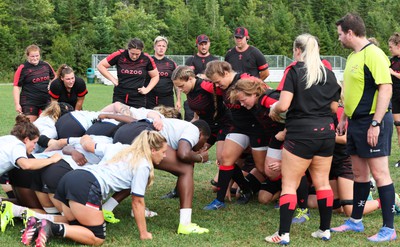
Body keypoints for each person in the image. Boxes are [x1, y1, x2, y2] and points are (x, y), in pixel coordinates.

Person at [21, 130, 168, 246]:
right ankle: (51, 228)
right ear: (153, 150)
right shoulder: (143, 165)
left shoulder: (120, 148)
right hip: (87, 184)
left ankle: (37, 221)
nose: (165, 156)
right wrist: (144, 233)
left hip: (72, 177)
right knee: (97, 237)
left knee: (75, 223)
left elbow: (88, 146)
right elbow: (137, 202)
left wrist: (84, 138)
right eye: (163, 152)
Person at [264, 33, 341, 244]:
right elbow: (335, 107)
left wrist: (273, 107)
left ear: (297, 50)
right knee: (323, 183)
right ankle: (325, 230)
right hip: (326, 133)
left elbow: (284, 105)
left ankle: (283, 234)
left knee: (289, 184)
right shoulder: (329, 74)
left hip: (300, 133)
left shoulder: (294, 71)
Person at [331, 13, 396, 243]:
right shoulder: (352, 57)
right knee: (359, 174)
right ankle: (355, 221)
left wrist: (376, 123)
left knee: (380, 174)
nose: (338, 38)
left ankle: (389, 228)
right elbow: (350, 90)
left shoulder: (374, 54)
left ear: (350, 32)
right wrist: (344, 117)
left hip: (373, 121)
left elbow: (385, 89)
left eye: (340, 34)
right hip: (355, 122)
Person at [203, 60, 270, 210]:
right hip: (238, 127)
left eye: (218, 82)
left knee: (262, 168)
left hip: (256, 128)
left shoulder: (244, 79)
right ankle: (220, 200)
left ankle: (282, 190)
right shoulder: (221, 86)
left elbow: (265, 89)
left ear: (226, 73)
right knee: (225, 159)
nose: (217, 86)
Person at [0, 115, 63, 232]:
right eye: (34, 143)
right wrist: (52, 160)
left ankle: (6, 207)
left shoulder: (9, 138)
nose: (34, 147)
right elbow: (26, 165)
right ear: (26, 139)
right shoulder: (17, 145)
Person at [97, 38, 159, 108]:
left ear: (141, 51)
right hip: (120, 96)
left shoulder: (146, 58)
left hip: (138, 98)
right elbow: (100, 65)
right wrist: (113, 79)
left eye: (137, 54)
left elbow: (155, 76)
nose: (134, 56)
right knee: (118, 117)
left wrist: (147, 89)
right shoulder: (119, 55)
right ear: (128, 49)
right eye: (132, 53)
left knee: (137, 118)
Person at [13, 45, 56, 122]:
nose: (35, 58)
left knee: (49, 123)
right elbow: (16, 87)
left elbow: (55, 77)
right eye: (32, 56)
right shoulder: (23, 68)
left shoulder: (45, 65)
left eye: (37, 56)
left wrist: (50, 84)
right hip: (29, 101)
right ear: (27, 56)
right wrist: (17, 104)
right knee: (29, 126)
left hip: (46, 100)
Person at [184, 34, 219, 121]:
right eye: (201, 44)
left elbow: (218, 78)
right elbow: (186, 78)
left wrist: (204, 76)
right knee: (192, 123)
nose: (203, 47)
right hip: (193, 97)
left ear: (209, 44)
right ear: (197, 45)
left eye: (205, 44)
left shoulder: (215, 60)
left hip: (210, 97)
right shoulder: (190, 60)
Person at [146, 36, 181, 110]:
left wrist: (178, 100)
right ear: (154, 47)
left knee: (167, 121)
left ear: (166, 48)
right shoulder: (147, 62)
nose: (161, 48)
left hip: (167, 99)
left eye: (163, 46)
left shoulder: (172, 64)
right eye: (159, 45)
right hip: (149, 99)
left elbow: (176, 84)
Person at [388, 33, 400, 167]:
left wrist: (393, 73)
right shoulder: (392, 61)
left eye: (391, 47)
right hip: (395, 98)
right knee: (398, 129)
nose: (390, 49)